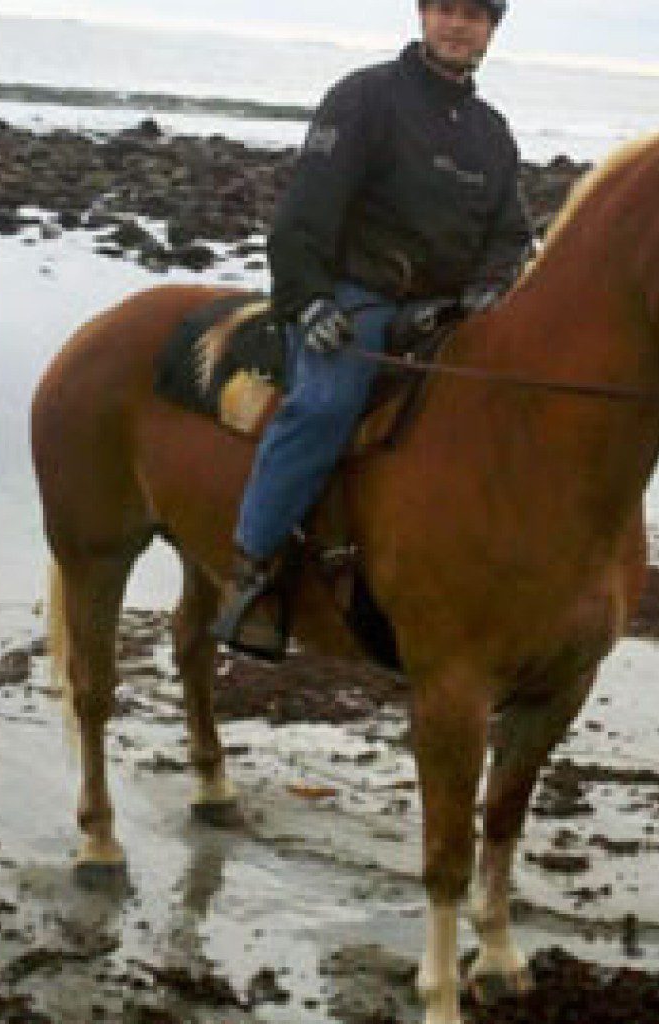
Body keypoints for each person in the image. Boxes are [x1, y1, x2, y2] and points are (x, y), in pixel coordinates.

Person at [211, 0, 533, 660]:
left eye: (474, 15)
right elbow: (302, 218)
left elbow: (510, 235)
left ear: (491, 30)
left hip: (449, 310)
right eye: (446, 8)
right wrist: (310, 303)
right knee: (326, 404)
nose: (457, 24)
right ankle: (255, 568)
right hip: (358, 298)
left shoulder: (491, 133)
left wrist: (491, 285)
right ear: (422, 14)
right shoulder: (362, 100)